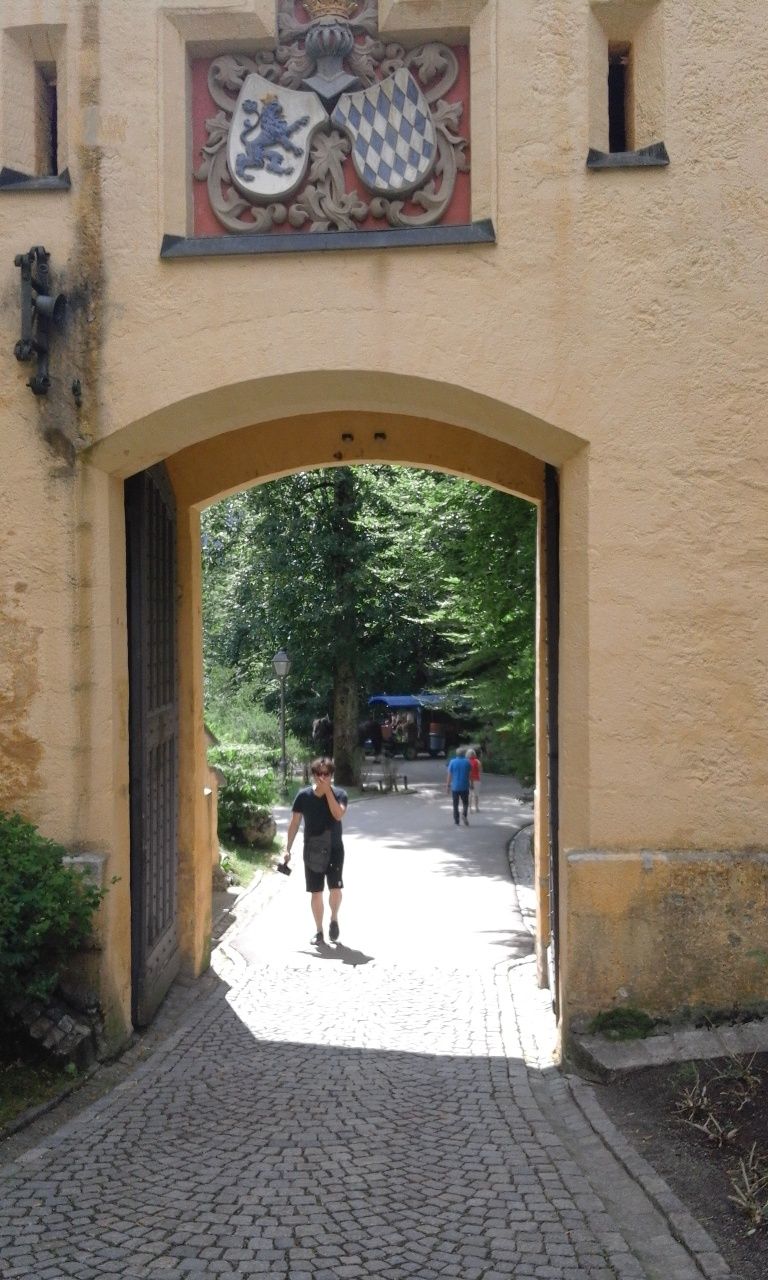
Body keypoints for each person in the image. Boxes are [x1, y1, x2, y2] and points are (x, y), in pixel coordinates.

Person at [283, 756, 348, 945]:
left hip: (335, 848)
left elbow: (338, 814)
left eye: (326, 774)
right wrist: (287, 849)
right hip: (312, 849)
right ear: (313, 775)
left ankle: (333, 919)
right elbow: (294, 823)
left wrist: (328, 792)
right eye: (318, 774)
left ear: (331, 775)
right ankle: (319, 931)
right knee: (316, 892)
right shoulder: (303, 796)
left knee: (335, 888)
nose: (322, 777)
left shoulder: (340, 794)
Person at [446, 746, 471, 826]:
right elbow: (469, 774)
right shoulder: (467, 762)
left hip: (455, 787)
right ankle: (464, 814)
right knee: (465, 803)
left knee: (455, 804)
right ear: (464, 754)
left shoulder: (452, 762)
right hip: (465, 786)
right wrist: (472, 784)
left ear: (456, 754)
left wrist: (448, 786)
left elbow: (449, 775)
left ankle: (456, 820)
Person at [467, 747, 482, 811]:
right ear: (474, 754)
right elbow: (480, 770)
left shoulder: (466, 761)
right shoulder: (477, 761)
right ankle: (476, 807)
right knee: (476, 794)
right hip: (476, 779)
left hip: (468, 780)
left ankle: (469, 808)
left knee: (469, 794)